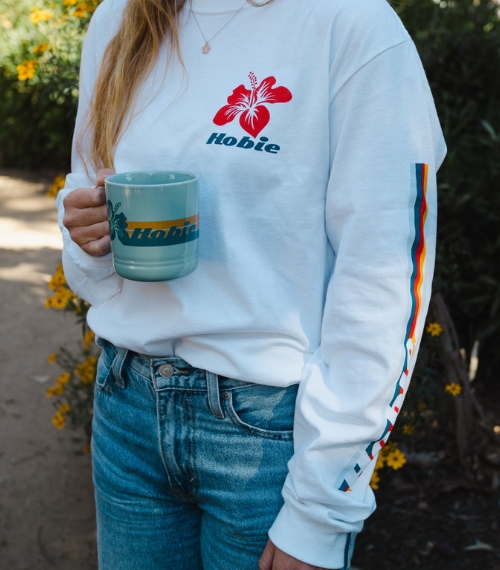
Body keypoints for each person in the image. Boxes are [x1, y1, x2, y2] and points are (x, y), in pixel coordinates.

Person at [57, 0, 446, 568]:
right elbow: (86, 190)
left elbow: (384, 275)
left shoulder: (352, 24)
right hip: (126, 411)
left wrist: (319, 510)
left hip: (268, 440)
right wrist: (88, 236)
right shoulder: (120, 17)